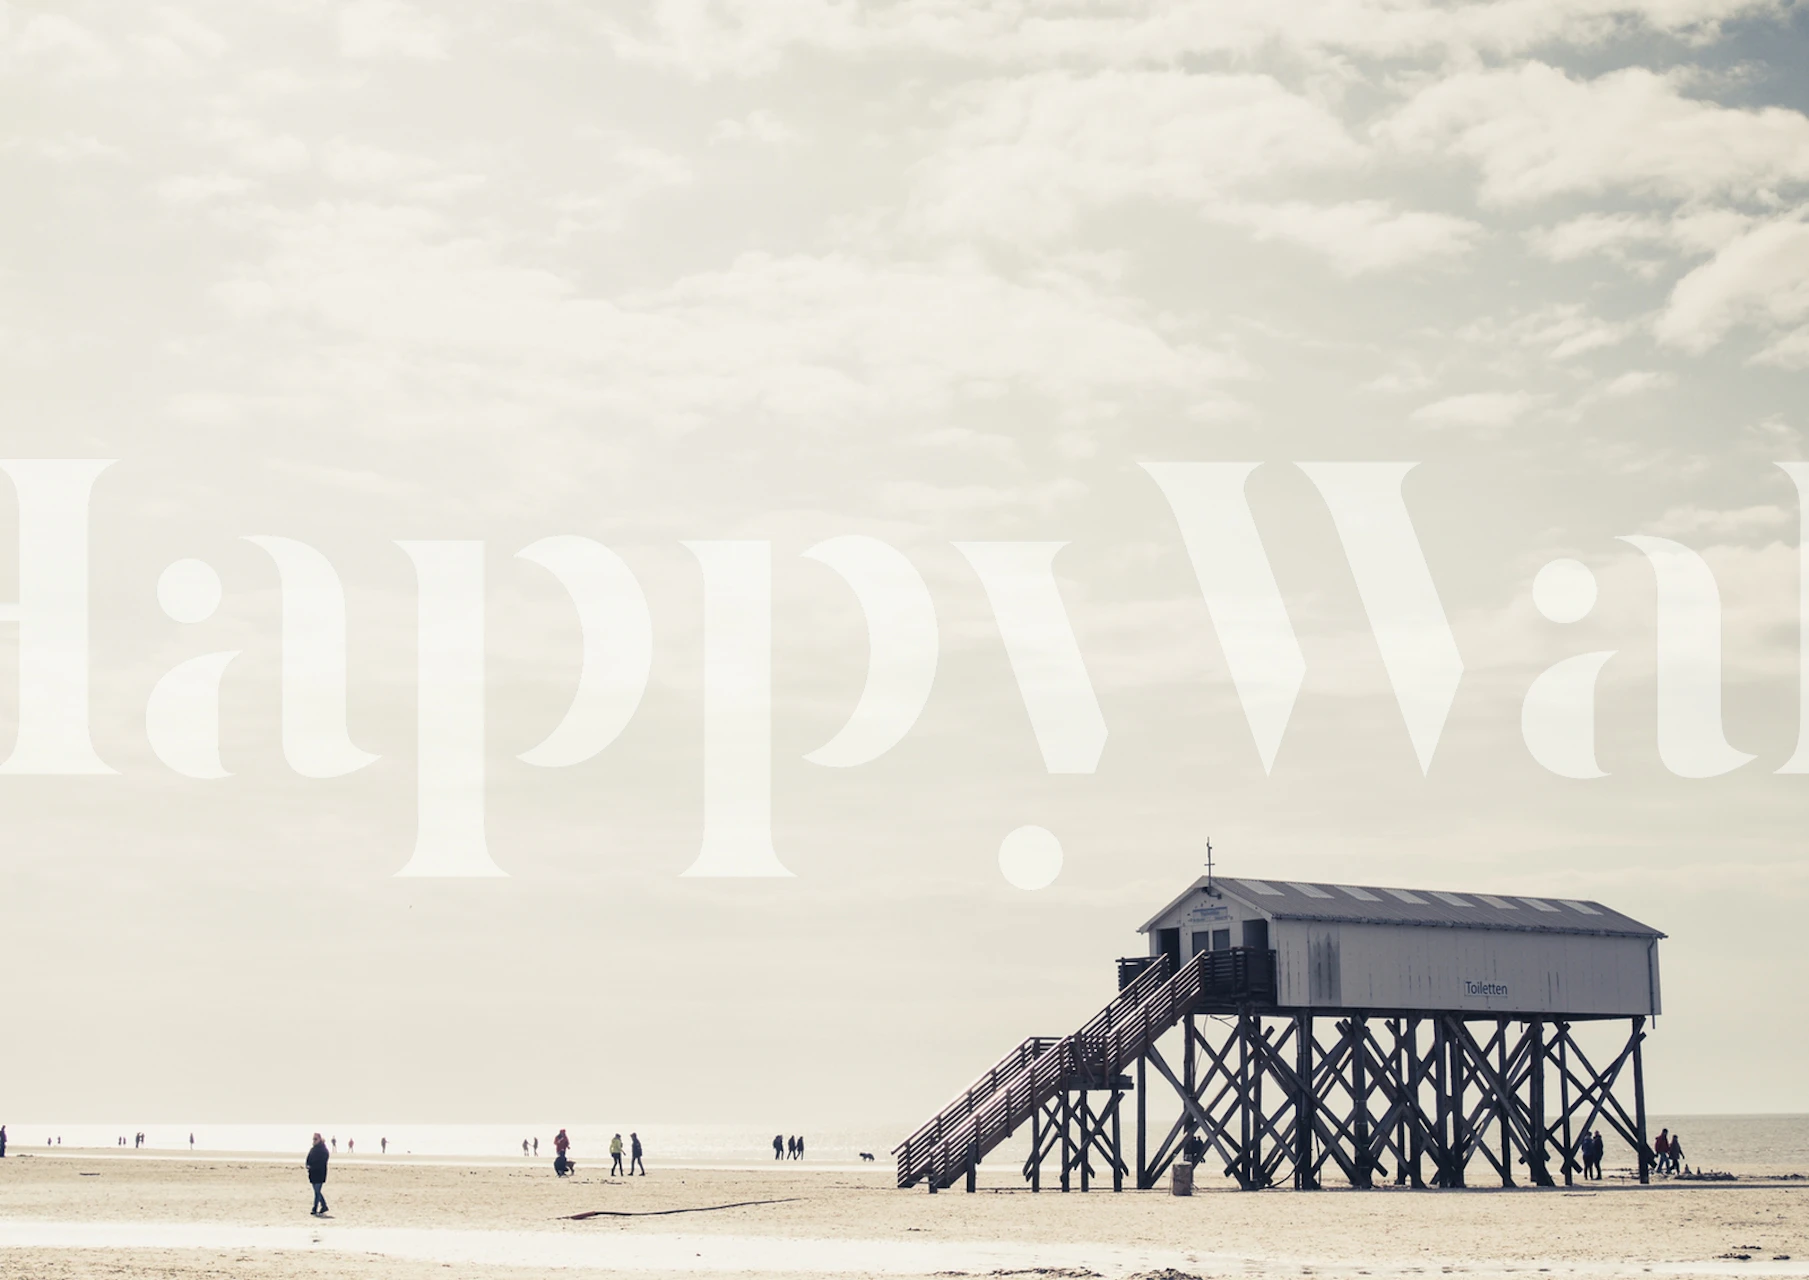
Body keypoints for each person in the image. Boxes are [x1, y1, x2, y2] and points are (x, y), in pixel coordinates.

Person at [306, 1133, 330, 1216]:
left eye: (316, 1139)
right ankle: (324, 1206)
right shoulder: (313, 1149)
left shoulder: (323, 1150)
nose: (314, 1141)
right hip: (312, 1173)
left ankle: (314, 1208)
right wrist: (308, 1165)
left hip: (320, 1173)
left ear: (320, 1139)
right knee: (317, 1191)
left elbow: (323, 1161)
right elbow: (308, 1158)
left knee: (317, 1191)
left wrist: (314, 1166)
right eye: (313, 1139)